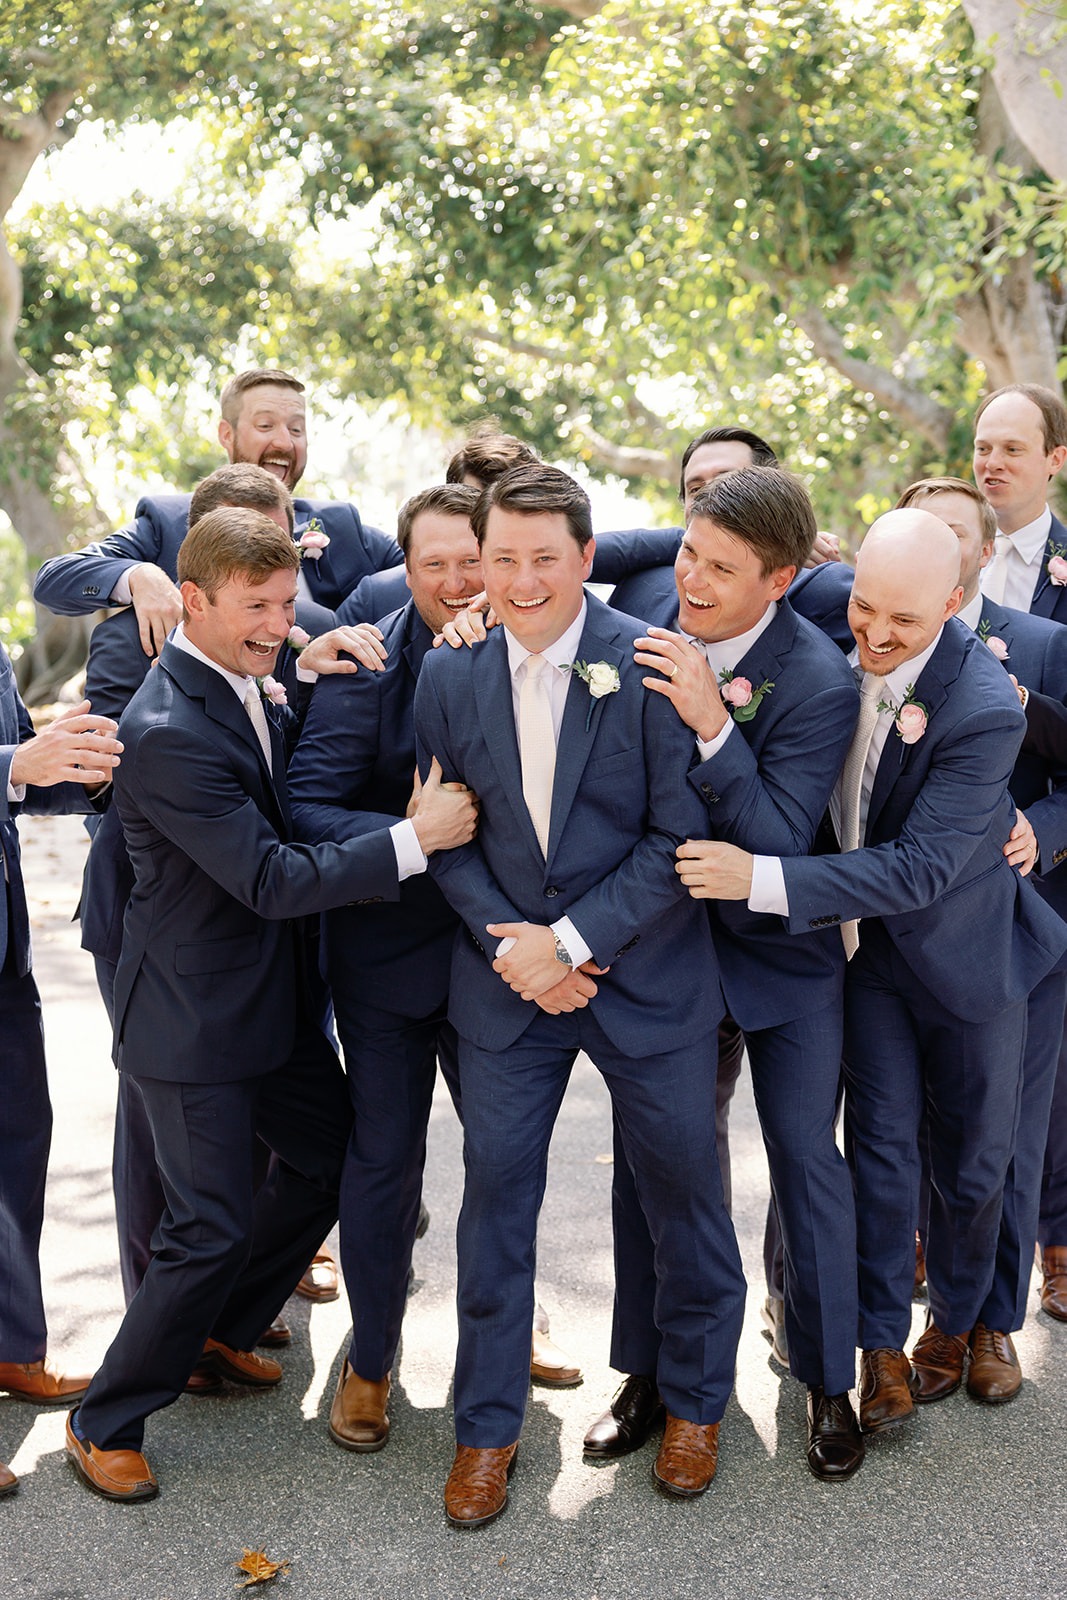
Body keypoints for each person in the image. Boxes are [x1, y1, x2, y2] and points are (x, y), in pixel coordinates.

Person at [65, 509, 476, 1501]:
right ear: (192, 601)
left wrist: (295, 650)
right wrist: (413, 839)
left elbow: (275, 718)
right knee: (202, 1224)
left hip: (274, 1005)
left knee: (343, 1158)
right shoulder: (161, 732)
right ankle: (104, 1415)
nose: (277, 622)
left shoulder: (247, 675)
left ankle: (214, 1327)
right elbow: (268, 878)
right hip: (191, 1017)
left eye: (287, 602)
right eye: (256, 607)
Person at [674, 509, 1067, 1440]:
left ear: (955, 604)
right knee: (882, 1156)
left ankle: (964, 1322)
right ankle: (881, 1345)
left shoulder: (978, 707)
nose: (876, 638)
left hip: (967, 951)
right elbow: (694, 552)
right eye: (863, 611)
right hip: (864, 959)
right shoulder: (823, 614)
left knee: (975, 1161)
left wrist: (759, 878)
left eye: (904, 623)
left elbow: (920, 868)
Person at [415, 463, 745, 1526]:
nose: (517, 580)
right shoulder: (447, 671)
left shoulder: (649, 665)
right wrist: (516, 945)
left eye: (541, 558)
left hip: (641, 972)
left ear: (584, 560)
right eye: (500, 558)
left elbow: (674, 838)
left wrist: (571, 938)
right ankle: (485, 1430)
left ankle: (695, 1402)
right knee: (495, 1206)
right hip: (507, 981)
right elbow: (443, 830)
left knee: (685, 1192)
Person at [589, 465, 864, 1479]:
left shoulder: (820, 679)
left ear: (780, 578)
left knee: (805, 1166)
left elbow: (778, 837)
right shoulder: (647, 617)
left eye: (720, 568)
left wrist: (711, 720)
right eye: (688, 555)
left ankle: (826, 1380)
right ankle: (647, 1371)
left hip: (784, 964)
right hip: (666, 954)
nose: (691, 581)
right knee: (651, 1164)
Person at [897, 475, 1067, 1380]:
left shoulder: (1039, 642)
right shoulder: (867, 643)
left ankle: (993, 1321)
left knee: (1004, 1131)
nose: (941, 541)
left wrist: (1045, 831)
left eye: (956, 531)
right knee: (905, 1131)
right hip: (891, 936)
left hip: (1013, 932)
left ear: (976, 554)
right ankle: (927, 1313)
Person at [33, 366, 403, 660]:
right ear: (226, 434)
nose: (284, 442)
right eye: (265, 425)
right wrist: (137, 575)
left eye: (296, 429)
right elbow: (53, 580)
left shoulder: (339, 522)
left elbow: (424, 566)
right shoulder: (166, 520)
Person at [0, 650, 122, 1496]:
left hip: (5, 945)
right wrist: (13, 763)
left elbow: (25, 775)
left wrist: (91, 765)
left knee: (16, 1151)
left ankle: (12, 1345)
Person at [975, 384, 1067, 1318]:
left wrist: (1045, 834)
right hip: (938, 864)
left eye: (1011, 448)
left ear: (1053, 459)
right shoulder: (939, 558)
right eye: (979, 446)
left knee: (1046, 1077)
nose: (991, 462)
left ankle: (1055, 1238)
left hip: (1048, 860)